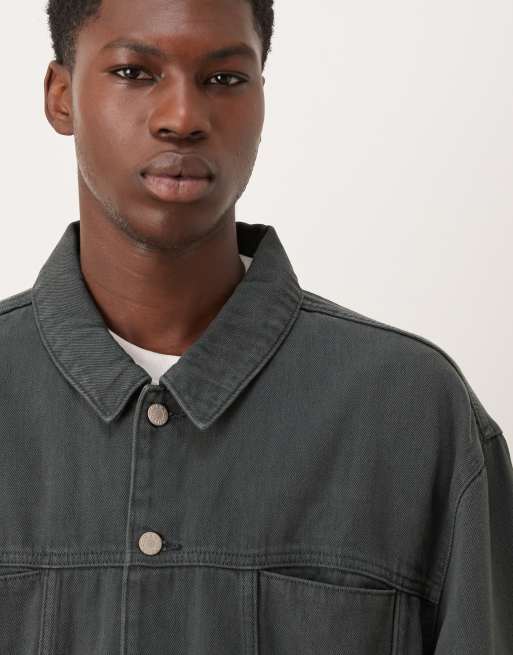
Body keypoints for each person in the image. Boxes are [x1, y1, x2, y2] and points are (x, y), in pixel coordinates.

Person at [0, 0, 511, 653]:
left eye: (223, 78)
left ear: (261, 99)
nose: (182, 117)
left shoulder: (414, 412)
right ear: (61, 96)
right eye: (134, 72)